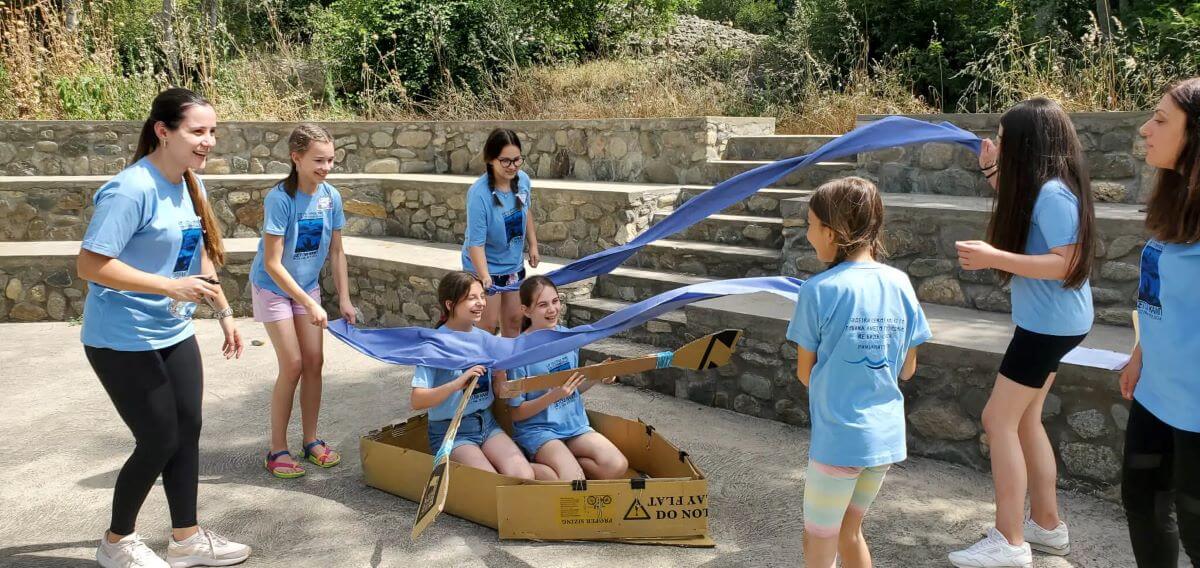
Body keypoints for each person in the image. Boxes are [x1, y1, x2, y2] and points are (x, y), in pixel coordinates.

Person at [77, 87, 251, 568]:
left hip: (172, 331)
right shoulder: (131, 188)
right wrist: (166, 287)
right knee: (158, 439)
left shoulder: (190, 182)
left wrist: (225, 314)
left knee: (188, 430)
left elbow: (198, 256)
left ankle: (186, 538)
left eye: (212, 131)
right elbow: (90, 265)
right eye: (198, 131)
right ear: (163, 131)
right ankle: (116, 543)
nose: (208, 140)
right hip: (121, 337)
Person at [949, 97, 1097, 567]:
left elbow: (1066, 261)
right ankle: (1046, 527)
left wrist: (995, 257)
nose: (1000, 140)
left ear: (1029, 143)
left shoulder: (1054, 193)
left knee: (999, 420)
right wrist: (993, 173)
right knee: (1025, 419)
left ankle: (1009, 540)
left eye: (1005, 135)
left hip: (1047, 327)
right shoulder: (1045, 189)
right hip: (1055, 324)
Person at [787, 177, 930, 568]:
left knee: (818, 540)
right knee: (850, 531)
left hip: (839, 438)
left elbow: (805, 373)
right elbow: (908, 369)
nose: (807, 233)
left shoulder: (817, 290)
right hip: (883, 439)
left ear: (832, 233)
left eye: (811, 225)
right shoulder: (900, 283)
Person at [1119, 76, 1200, 567]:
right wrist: (1140, 351)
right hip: (1156, 393)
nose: (1147, 129)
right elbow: (1159, 294)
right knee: (1144, 503)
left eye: (1162, 120)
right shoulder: (1175, 203)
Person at [249, 123, 357, 479]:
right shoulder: (280, 198)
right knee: (293, 364)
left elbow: (337, 251)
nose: (326, 167)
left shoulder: (331, 196)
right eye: (318, 160)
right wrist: (309, 304)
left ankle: (311, 441)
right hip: (274, 287)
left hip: (307, 285)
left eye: (330, 160)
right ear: (296, 158)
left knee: (315, 361)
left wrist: (343, 298)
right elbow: (272, 263)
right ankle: (277, 448)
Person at [411, 271, 547, 479]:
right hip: (452, 431)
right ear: (450, 304)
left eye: (482, 296)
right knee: (492, 483)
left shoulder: (486, 340)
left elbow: (500, 392)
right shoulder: (434, 345)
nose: (481, 303)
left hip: (487, 423)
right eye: (472, 298)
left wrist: (501, 376)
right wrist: (457, 384)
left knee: (523, 476)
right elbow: (417, 400)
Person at [504, 275, 628, 480]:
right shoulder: (518, 353)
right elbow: (516, 413)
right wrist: (553, 396)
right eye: (542, 305)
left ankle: (565, 465)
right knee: (573, 481)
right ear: (526, 310)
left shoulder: (567, 338)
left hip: (574, 426)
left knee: (617, 465)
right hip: (539, 431)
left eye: (555, 301)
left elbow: (572, 388)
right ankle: (531, 466)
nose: (552, 310)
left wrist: (598, 376)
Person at [462, 128, 540, 337]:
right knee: (487, 326)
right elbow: (475, 243)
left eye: (517, 160)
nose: (512, 166)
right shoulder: (479, 194)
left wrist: (532, 245)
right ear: (491, 160)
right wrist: (485, 277)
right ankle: (487, 370)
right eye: (505, 161)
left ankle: (506, 370)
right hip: (485, 267)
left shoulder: (523, 181)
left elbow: (526, 212)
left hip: (513, 266)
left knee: (515, 322)